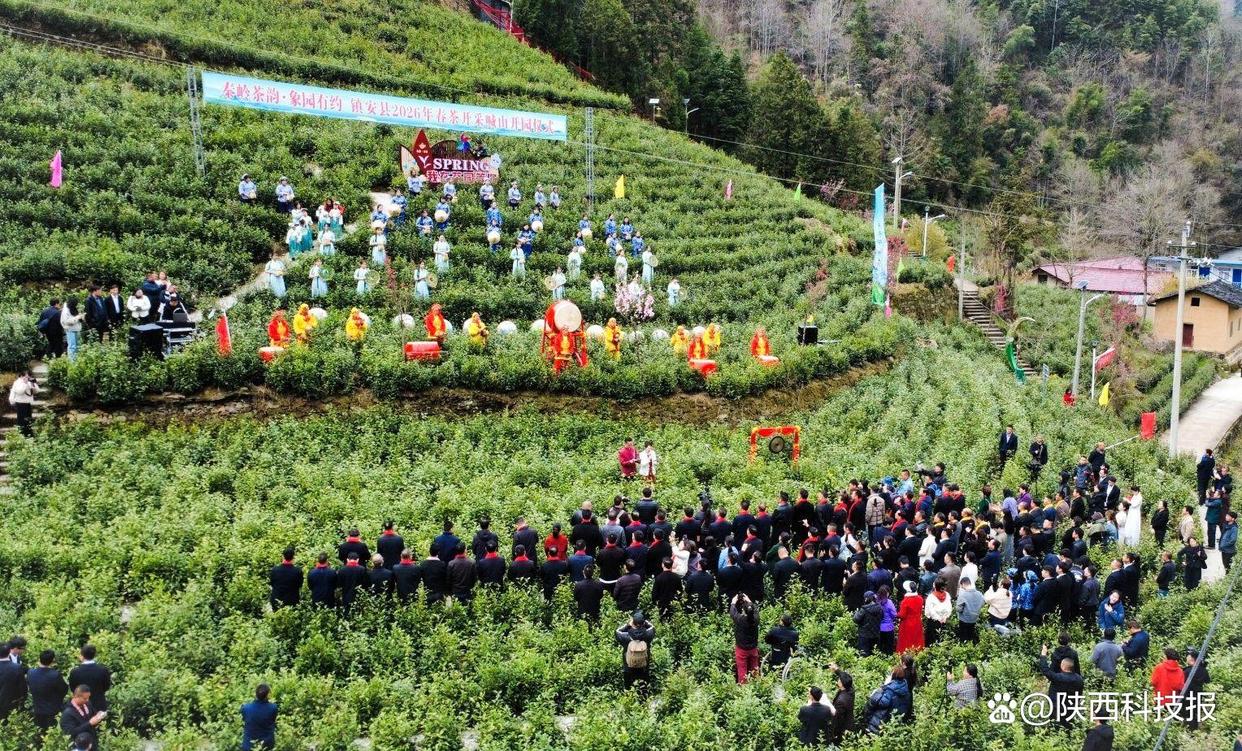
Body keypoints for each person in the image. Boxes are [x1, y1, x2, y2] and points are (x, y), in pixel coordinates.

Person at [1037, 644, 1084, 728]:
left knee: (1055, 726)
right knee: (1069, 727)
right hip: (1071, 708)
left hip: (1057, 709)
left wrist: (1043, 654)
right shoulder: (1079, 679)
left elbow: (1045, 669)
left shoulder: (1058, 678)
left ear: (1063, 667)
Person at [26, 648, 67, 734]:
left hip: (37, 709)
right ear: (53, 661)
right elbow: (64, 690)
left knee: (40, 734)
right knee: (51, 734)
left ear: (39, 659)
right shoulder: (55, 675)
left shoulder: (31, 673)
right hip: (53, 710)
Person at [863, 665, 910, 734]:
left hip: (883, 719)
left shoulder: (890, 689)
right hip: (895, 719)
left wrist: (881, 689)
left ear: (894, 675)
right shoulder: (905, 686)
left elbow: (881, 702)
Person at [615, 611, 654, 689]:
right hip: (644, 666)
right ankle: (644, 695)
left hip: (628, 667)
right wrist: (645, 622)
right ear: (643, 623)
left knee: (628, 686)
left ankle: (628, 694)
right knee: (644, 686)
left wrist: (627, 625)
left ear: (633, 623)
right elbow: (652, 627)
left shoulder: (626, 636)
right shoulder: (648, 634)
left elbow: (617, 631)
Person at [59, 685, 105, 749]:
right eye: (85, 698)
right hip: (80, 746)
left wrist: (99, 716)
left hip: (92, 742)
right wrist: (89, 723)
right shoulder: (67, 714)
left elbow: (93, 715)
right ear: (76, 696)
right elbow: (70, 733)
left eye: (88, 698)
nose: (87, 700)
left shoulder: (87, 704)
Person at [729, 593, 761, 683]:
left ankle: (743, 687)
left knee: (742, 670)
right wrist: (749, 601)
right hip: (753, 648)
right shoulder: (756, 619)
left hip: (742, 649)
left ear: (744, 610)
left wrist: (733, 602)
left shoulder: (740, 620)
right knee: (754, 667)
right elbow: (755, 610)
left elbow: (733, 613)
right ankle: (757, 685)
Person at [68, 645, 110, 711]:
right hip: (99, 705)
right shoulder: (103, 670)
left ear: (82, 656)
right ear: (94, 655)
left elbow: (73, 689)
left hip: (81, 706)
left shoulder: (75, 672)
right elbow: (106, 686)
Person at [241, 683, 278, 751]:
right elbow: (273, 720)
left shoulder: (245, 708)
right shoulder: (273, 707)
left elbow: (244, 719)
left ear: (255, 694)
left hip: (249, 746)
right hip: (267, 745)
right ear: (268, 695)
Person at [1183, 648, 1210, 731]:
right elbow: (1207, 680)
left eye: (1188, 656)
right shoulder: (1203, 670)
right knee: (1194, 713)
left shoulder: (1187, 671)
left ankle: (1188, 730)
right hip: (1198, 695)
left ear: (1191, 658)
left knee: (1187, 714)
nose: (1186, 658)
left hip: (1187, 695)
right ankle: (1194, 730)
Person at [895, 581, 924, 653]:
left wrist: (896, 614)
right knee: (917, 638)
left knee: (907, 640)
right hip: (917, 621)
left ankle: (905, 653)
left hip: (907, 623)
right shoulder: (920, 598)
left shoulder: (905, 601)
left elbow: (902, 615)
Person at [8, 371, 38, 438]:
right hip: (20, 403)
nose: (28, 378)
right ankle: (22, 435)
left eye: (28, 376)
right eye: (26, 376)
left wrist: (33, 383)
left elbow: (37, 391)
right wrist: (24, 383)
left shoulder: (29, 382)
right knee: (22, 420)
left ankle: (29, 434)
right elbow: (19, 391)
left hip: (27, 403)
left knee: (28, 419)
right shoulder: (17, 382)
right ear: (21, 376)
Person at [923, 577, 951, 646]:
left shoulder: (931, 597)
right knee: (942, 637)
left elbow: (930, 611)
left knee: (932, 640)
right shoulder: (947, 595)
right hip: (944, 620)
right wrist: (945, 617)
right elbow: (949, 607)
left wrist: (938, 618)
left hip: (933, 622)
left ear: (935, 586)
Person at [955, 577, 985, 643]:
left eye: (961, 586)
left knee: (963, 636)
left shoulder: (963, 595)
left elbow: (958, 609)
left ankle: (963, 645)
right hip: (974, 619)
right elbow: (983, 603)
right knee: (971, 633)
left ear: (963, 584)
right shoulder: (980, 594)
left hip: (964, 619)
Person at [854, 591, 883, 655]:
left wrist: (856, 612)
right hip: (876, 634)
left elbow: (856, 619)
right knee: (874, 653)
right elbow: (882, 617)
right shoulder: (880, 608)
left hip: (864, 635)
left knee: (864, 654)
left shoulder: (864, 609)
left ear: (866, 599)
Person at [60, 296, 86, 361]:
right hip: (70, 330)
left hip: (76, 329)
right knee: (72, 346)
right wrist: (77, 317)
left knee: (77, 345)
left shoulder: (72, 307)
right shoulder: (66, 310)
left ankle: (75, 360)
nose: (76, 305)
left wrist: (81, 316)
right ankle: (72, 361)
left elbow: (74, 316)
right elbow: (67, 321)